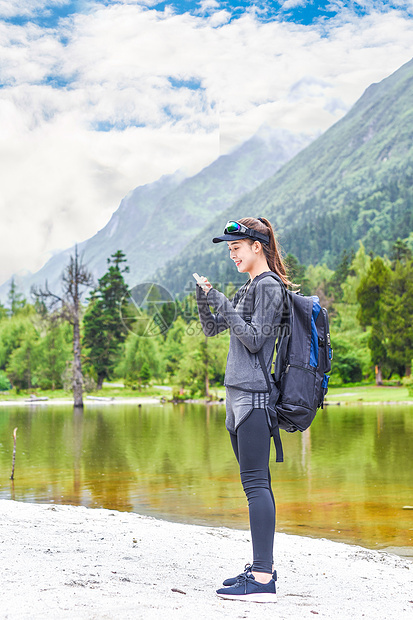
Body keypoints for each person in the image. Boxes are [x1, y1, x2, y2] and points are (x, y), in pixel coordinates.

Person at [195, 217, 291, 603]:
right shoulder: (250, 286)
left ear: (257, 246)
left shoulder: (269, 287)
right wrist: (206, 298)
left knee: (257, 486)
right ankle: (259, 567)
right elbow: (213, 328)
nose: (232, 252)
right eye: (229, 248)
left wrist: (219, 298)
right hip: (237, 398)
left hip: (253, 397)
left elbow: (254, 341)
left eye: (237, 246)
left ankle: (264, 577)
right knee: (253, 485)